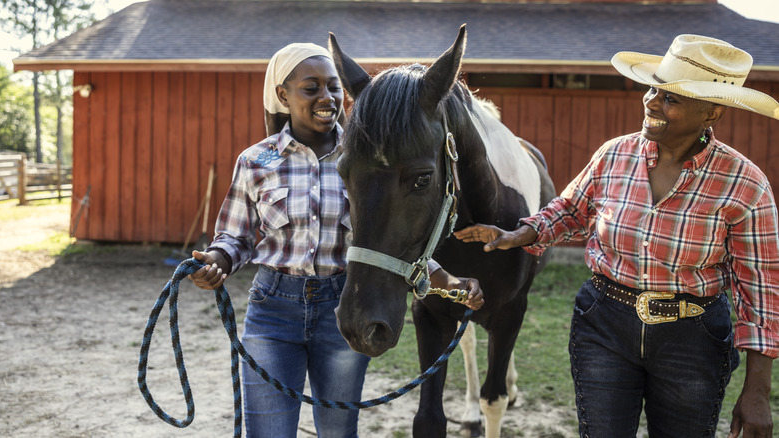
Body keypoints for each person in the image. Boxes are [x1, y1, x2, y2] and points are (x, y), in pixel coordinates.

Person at [455, 34, 778, 438]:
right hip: (604, 326)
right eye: (652, 88)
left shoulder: (745, 184)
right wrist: (517, 234)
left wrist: (758, 392)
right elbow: (571, 211)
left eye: (671, 98)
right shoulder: (614, 154)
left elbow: (762, 294)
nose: (651, 102)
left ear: (711, 113)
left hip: (692, 340)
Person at [186, 42, 484, 438]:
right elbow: (235, 234)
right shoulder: (256, 161)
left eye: (332, 87)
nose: (326, 97)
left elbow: (381, 241)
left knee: (339, 432)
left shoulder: (367, 158)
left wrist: (448, 282)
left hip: (340, 303)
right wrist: (218, 260)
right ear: (283, 95)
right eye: (311, 88)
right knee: (268, 432)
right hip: (273, 309)